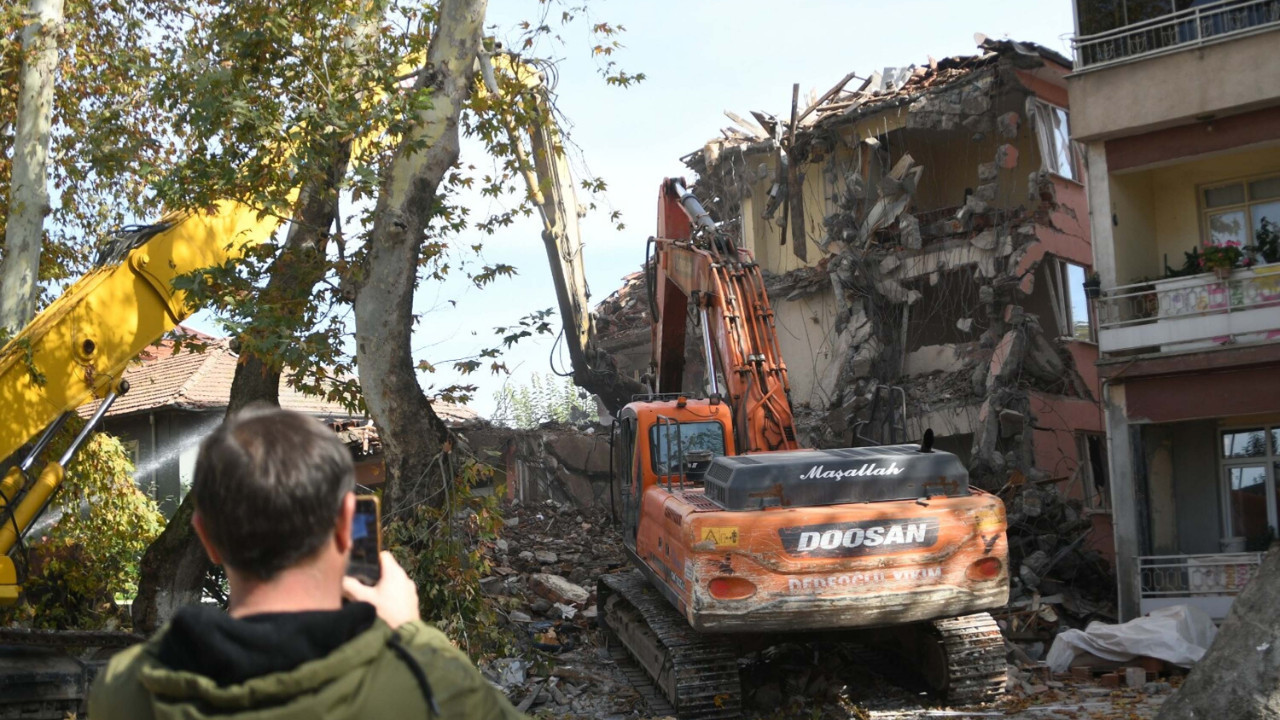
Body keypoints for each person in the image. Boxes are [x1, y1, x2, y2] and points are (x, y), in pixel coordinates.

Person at [89, 405, 526, 719]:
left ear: (206, 537)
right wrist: (414, 634)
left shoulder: (124, 688)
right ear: (347, 526)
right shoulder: (436, 686)